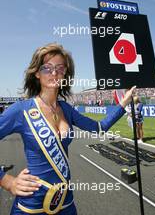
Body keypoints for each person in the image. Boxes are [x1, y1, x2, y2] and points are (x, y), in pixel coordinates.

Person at [0, 43, 136, 214]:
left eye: (60, 68)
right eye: (47, 68)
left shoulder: (67, 109)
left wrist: (124, 103)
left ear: (65, 74)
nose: (54, 73)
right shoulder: (21, 110)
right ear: (36, 73)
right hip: (31, 204)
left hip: (65, 201)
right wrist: (7, 181)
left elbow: (100, 127)